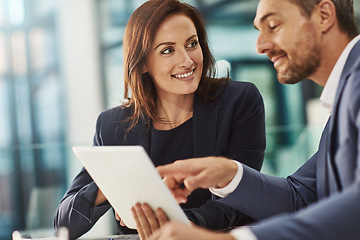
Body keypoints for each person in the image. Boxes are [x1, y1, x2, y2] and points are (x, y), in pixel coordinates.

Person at [131, 0, 360, 239]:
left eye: (273, 25)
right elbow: (300, 197)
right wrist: (228, 174)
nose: (260, 46)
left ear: (324, 15)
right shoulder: (344, 99)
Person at [53, 0, 266, 239]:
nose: (187, 60)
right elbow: (64, 223)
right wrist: (113, 185)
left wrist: (177, 225)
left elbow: (239, 202)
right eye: (168, 50)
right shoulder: (113, 125)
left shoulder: (239, 101)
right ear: (143, 63)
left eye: (192, 44)